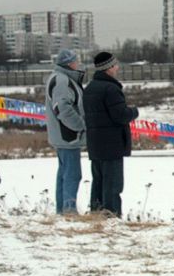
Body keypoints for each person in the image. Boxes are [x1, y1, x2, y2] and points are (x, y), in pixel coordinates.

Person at [82, 52, 138, 217]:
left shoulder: (90, 88)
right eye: (115, 65)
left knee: (98, 182)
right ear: (109, 68)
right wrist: (133, 112)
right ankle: (111, 216)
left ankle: (96, 214)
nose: (117, 68)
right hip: (112, 144)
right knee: (113, 184)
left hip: (95, 144)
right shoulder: (111, 89)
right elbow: (120, 115)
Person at [45, 49, 87, 214]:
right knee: (72, 174)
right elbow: (62, 108)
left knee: (64, 173)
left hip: (64, 136)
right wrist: (81, 125)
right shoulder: (62, 80)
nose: (79, 64)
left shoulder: (60, 77)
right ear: (70, 63)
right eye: (76, 61)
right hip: (68, 136)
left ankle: (62, 210)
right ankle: (69, 210)